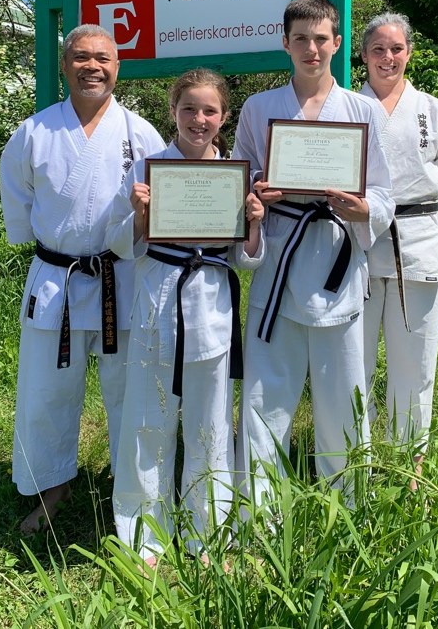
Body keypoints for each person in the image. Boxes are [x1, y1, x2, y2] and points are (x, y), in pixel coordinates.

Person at [0, 24, 164, 535]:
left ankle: (132, 495)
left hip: (123, 277)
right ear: (64, 64)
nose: (92, 66)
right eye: (80, 57)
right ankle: (51, 488)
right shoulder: (34, 133)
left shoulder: (141, 133)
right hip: (58, 280)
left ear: (117, 67)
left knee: (131, 392)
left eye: (102, 58)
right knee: (46, 391)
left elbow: (161, 209)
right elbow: (19, 206)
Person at [233, 0, 393, 502]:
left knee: (343, 396)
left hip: (335, 262)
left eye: (321, 39)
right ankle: (257, 513)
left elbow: (384, 192)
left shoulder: (363, 110)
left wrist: (363, 209)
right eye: (300, 38)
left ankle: (346, 506)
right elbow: (239, 181)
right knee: (264, 397)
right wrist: (255, 193)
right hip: (280, 266)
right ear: (285, 43)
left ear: (337, 43)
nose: (311, 49)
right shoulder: (259, 108)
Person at [106, 69, 264, 567]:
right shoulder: (147, 169)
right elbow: (118, 243)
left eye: (209, 110)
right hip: (158, 301)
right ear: (172, 111)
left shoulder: (237, 174)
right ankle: (144, 534)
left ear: (224, 117)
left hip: (212, 306)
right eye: (189, 108)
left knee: (210, 425)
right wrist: (139, 216)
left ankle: (207, 533)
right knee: (147, 421)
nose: (199, 119)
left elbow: (244, 258)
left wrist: (254, 225)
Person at [358, 12, 438, 464]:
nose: (388, 57)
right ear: (363, 55)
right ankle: (356, 458)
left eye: (397, 48)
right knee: (353, 362)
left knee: (416, 362)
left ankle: (408, 460)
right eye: (378, 49)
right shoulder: (348, 106)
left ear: (409, 53)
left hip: (418, 241)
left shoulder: (432, 110)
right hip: (359, 242)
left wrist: (427, 211)